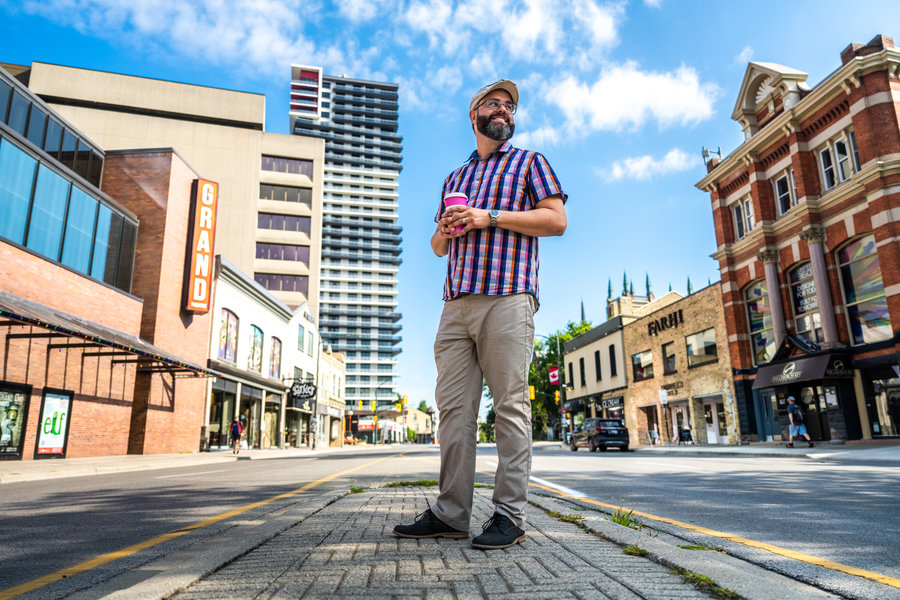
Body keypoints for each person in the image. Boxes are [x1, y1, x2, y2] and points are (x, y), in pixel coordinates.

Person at [393, 79, 567, 550]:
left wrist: (489, 216)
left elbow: (555, 220)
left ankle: (509, 515)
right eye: (495, 103)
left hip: (508, 297)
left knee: (510, 406)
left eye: (510, 106)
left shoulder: (531, 162)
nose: (504, 110)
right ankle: (451, 514)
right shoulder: (454, 179)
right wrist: (448, 229)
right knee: (453, 411)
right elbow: (435, 246)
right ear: (474, 115)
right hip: (455, 305)